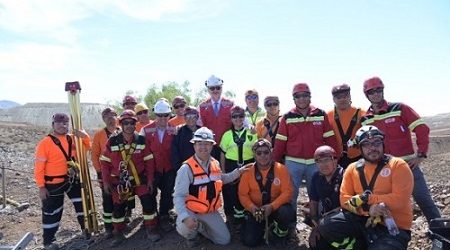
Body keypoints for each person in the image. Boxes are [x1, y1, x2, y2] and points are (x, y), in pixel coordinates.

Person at [315, 125, 414, 249]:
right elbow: (344, 200)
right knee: (327, 227)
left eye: (376, 142)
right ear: (360, 148)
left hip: (393, 228)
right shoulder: (352, 169)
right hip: (363, 221)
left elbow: (400, 200)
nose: (372, 148)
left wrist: (367, 199)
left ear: (383, 144)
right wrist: (367, 209)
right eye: (366, 144)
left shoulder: (397, 165)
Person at [360, 76, 441, 225]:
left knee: (424, 201)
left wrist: (421, 154)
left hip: (409, 167)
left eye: (379, 90)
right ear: (367, 95)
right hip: (384, 169)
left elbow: (422, 129)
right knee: (386, 205)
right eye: (371, 92)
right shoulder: (366, 119)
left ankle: (441, 234)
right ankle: (391, 237)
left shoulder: (399, 109)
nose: (376, 94)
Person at [173, 127, 248, 247]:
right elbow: (178, 196)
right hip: (191, 210)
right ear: (194, 145)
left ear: (212, 145)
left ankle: (200, 227)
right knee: (184, 226)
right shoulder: (186, 168)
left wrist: (238, 172)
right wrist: (184, 216)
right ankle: (191, 236)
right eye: (199, 143)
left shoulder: (215, 163)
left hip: (209, 211)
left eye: (207, 143)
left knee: (224, 240)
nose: (203, 147)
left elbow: (221, 179)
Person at [100, 110, 160, 246]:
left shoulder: (141, 140)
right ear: (120, 124)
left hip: (140, 179)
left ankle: (151, 229)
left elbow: (149, 161)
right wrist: (106, 182)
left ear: (135, 124)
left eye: (132, 122)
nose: (129, 125)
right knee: (119, 207)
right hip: (120, 182)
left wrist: (150, 180)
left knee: (148, 202)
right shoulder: (113, 141)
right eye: (125, 123)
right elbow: (104, 163)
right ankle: (118, 233)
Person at [273, 83, 338, 206]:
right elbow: (280, 142)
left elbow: (330, 139)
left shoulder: (320, 114)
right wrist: (274, 162)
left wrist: (335, 159)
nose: (301, 99)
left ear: (310, 96)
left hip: (316, 163)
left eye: (304, 95)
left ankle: (320, 222)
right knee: (290, 194)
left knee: (318, 194)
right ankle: (290, 222)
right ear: (294, 99)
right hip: (293, 163)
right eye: (298, 96)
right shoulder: (287, 117)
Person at [34, 113, 91, 250]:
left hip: (72, 179)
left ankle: (86, 229)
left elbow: (87, 147)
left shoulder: (73, 139)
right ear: (53, 125)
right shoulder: (45, 143)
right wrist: (41, 187)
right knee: (52, 212)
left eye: (65, 123)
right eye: (59, 123)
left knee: (82, 205)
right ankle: (48, 242)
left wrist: (85, 137)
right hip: (53, 184)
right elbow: (39, 167)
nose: (62, 125)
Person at [238, 139, 295, 247]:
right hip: (256, 211)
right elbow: (243, 194)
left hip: (275, 209)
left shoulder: (281, 169)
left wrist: (271, 207)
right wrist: (252, 208)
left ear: (271, 152)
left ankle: (279, 234)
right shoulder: (248, 171)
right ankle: (261, 228)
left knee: (286, 211)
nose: (262, 156)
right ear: (254, 155)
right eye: (259, 153)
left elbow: (287, 192)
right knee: (249, 241)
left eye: (266, 152)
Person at [141, 99, 177, 232]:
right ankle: (152, 218)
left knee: (168, 193)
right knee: (150, 193)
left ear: (169, 115)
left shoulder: (174, 130)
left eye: (166, 115)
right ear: (155, 115)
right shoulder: (145, 130)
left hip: (169, 169)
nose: (162, 118)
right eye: (159, 115)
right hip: (152, 170)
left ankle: (164, 216)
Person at [219, 106, 258, 226]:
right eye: (234, 116)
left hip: (248, 164)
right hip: (231, 165)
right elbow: (222, 154)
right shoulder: (227, 135)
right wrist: (223, 171)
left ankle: (245, 214)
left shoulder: (251, 133)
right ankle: (230, 215)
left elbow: (257, 151)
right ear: (231, 119)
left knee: (246, 190)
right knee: (230, 191)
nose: (238, 119)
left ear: (244, 117)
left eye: (241, 116)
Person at [91, 107, 120, 238]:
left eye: (113, 115)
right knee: (107, 199)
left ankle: (119, 223)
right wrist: (100, 173)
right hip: (105, 174)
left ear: (117, 117)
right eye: (107, 116)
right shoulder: (99, 135)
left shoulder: (123, 131)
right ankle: (108, 227)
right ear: (103, 119)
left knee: (121, 198)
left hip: (121, 173)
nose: (111, 118)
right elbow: (94, 155)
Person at [308, 145, 344, 248]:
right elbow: (313, 201)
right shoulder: (316, 177)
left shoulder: (345, 176)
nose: (323, 164)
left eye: (327, 160)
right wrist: (314, 224)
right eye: (319, 161)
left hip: (343, 218)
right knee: (316, 245)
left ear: (335, 161)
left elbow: (348, 205)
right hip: (325, 219)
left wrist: (321, 225)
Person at [327, 84, 365, 168]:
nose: (342, 99)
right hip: (337, 160)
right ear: (333, 99)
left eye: (345, 96)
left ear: (350, 96)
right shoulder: (327, 116)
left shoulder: (361, 113)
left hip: (358, 158)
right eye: (338, 97)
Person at [198, 75, 234, 160]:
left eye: (218, 88)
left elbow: (241, 120)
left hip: (228, 145)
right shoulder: (202, 106)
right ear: (208, 89)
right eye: (212, 88)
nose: (215, 90)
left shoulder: (231, 104)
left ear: (221, 88)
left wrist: (250, 127)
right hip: (209, 146)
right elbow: (196, 125)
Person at [171, 106, 201, 171]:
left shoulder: (202, 131)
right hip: (184, 168)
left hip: (201, 168)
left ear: (197, 117)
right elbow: (175, 153)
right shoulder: (179, 132)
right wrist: (179, 169)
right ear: (184, 118)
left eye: (193, 116)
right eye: (188, 116)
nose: (190, 119)